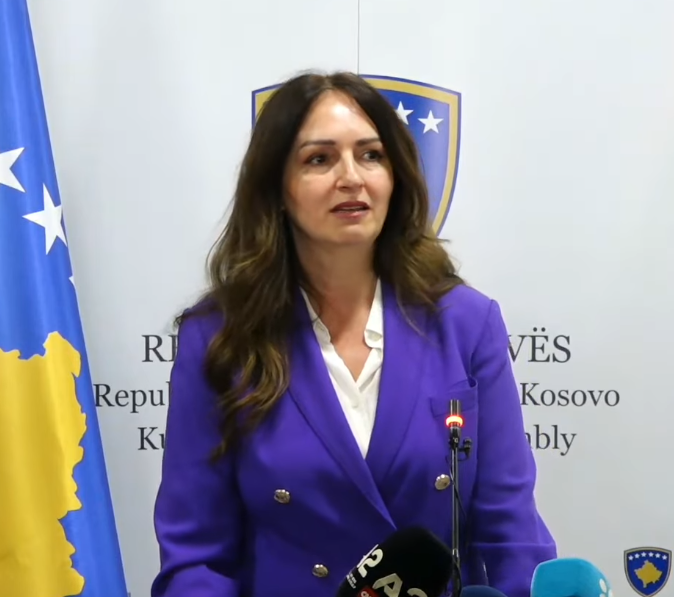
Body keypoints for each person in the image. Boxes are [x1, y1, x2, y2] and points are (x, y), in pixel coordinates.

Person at [150, 70, 556, 597]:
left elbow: (511, 531)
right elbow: (196, 557)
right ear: (277, 189)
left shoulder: (466, 323)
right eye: (319, 159)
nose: (351, 177)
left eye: (371, 155)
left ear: (396, 176)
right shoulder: (219, 338)